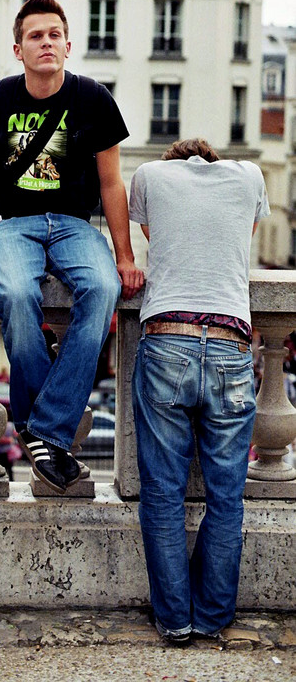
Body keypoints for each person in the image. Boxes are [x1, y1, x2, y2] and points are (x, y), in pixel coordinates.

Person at [0, 0, 144, 493]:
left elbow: (113, 184)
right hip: (12, 224)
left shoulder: (94, 99)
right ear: (19, 49)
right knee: (13, 291)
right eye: (36, 35)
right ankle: (49, 431)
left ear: (68, 44)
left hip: (76, 226)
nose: (46, 42)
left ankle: (41, 429)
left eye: (54, 34)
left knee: (101, 291)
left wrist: (123, 255)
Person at [129, 137, 270, 644]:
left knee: (163, 493)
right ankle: (212, 616)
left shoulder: (148, 176)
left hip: (168, 336)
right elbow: (243, 233)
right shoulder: (251, 176)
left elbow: (154, 235)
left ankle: (175, 619)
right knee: (227, 496)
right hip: (231, 345)